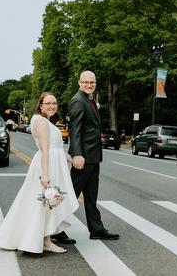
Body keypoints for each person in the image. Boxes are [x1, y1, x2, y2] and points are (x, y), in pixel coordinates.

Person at [0, 92, 78, 254]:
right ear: (40, 105)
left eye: (54, 103)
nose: (52, 106)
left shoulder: (42, 120)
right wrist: (45, 175)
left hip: (52, 163)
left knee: (42, 202)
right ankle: (45, 241)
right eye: (48, 103)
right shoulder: (42, 122)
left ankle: (39, 238)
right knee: (46, 203)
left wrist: (71, 159)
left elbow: (56, 149)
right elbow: (45, 150)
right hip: (48, 166)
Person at [52, 70, 120, 244]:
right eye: (85, 82)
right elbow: (75, 130)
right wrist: (77, 155)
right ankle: (55, 229)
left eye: (92, 82)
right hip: (83, 158)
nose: (89, 85)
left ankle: (96, 229)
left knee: (91, 195)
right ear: (79, 82)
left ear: (95, 83)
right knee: (70, 195)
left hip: (93, 157)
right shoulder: (78, 101)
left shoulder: (90, 100)